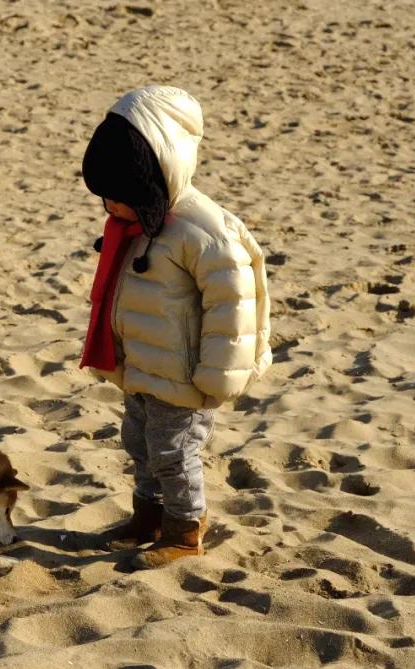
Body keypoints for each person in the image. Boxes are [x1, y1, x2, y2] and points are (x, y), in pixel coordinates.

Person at [79, 86, 271, 570]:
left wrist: (218, 377)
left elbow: (235, 308)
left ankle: (185, 530)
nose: (109, 208)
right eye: (104, 199)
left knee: (173, 452)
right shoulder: (139, 222)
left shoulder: (205, 232)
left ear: (152, 180)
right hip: (143, 365)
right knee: (138, 443)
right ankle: (148, 516)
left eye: (117, 198)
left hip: (183, 375)